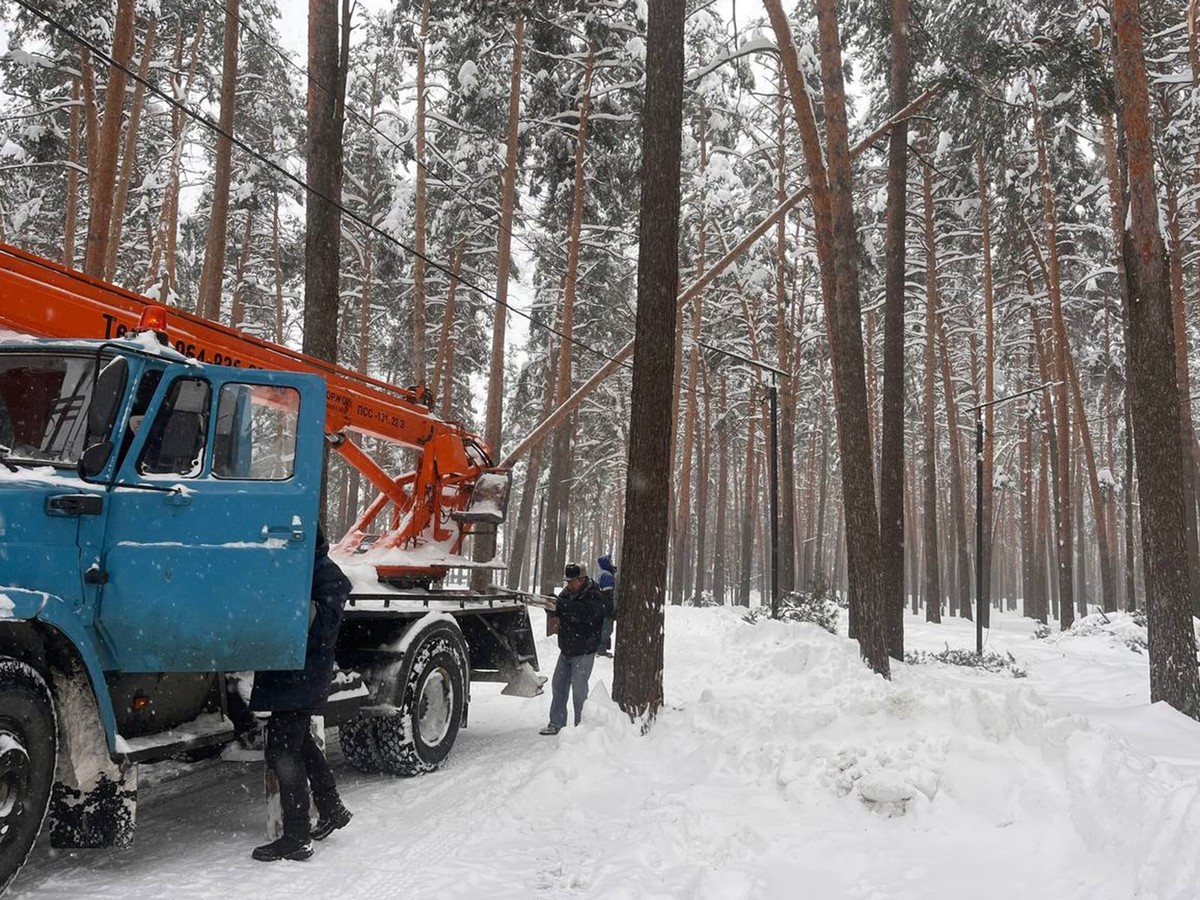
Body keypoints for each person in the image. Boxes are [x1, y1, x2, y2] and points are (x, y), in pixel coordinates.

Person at [249, 524, 354, 862]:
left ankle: (296, 836)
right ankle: (332, 808)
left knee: (283, 751)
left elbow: (321, 631)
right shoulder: (300, 572)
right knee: (300, 744)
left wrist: (286, 602)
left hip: (302, 676)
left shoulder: (328, 576)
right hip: (291, 675)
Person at [539, 562, 606, 736]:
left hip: (584, 651)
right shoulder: (567, 593)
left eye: (572, 581)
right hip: (567, 649)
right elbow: (561, 610)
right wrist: (551, 607)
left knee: (579, 690)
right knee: (558, 685)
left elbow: (584, 614)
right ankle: (557, 722)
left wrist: (561, 605)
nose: (569, 585)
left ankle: (581, 726)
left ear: (582, 579)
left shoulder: (594, 594)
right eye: (567, 581)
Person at [596, 554, 617, 657]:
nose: (612, 563)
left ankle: (602, 648)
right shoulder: (607, 576)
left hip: (603, 608)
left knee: (605, 628)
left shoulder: (603, 574)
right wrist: (610, 610)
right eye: (610, 561)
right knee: (606, 629)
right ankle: (601, 650)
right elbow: (607, 595)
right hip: (606, 609)